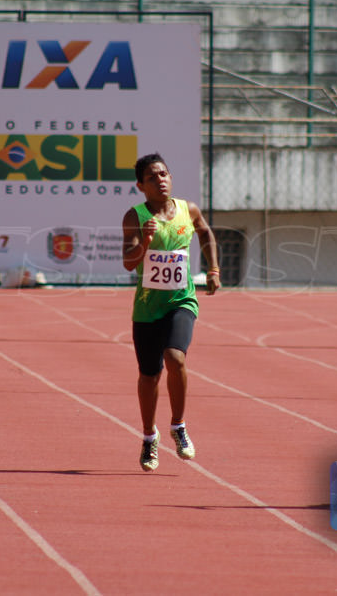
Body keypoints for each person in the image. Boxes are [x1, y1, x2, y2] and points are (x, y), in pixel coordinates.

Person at [122, 153, 221, 471]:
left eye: (164, 174)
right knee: (148, 376)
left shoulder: (187, 209)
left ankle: (178, 427)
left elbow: (205, 233)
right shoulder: (134, 216)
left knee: (176, 358)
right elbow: (128, 262)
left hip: (182, 301)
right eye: (152, 177)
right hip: (148, 307)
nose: (160, 179)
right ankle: (150, 438)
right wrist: (146, 239)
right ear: (141, 185)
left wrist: (214, 268)